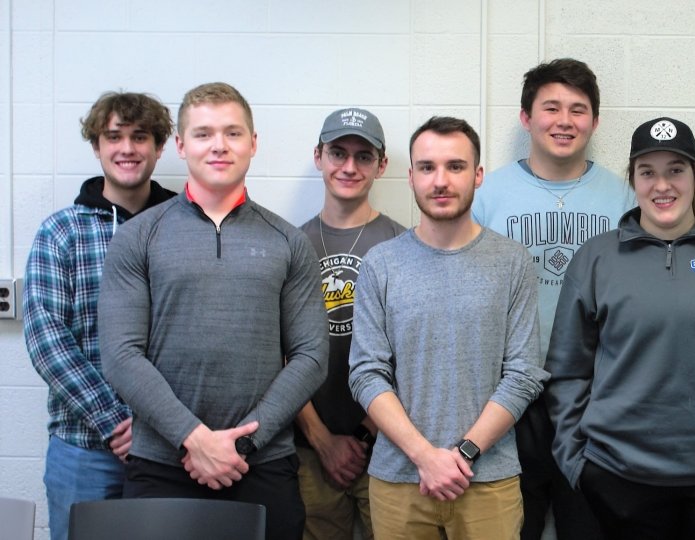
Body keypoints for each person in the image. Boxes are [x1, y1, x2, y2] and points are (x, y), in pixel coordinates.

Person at [99, 82, 328, 540]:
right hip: (162, 464)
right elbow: (121, 355)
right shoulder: (139, 237)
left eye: (232, 133)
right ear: (181, 146)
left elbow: (311, 357)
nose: (219, 146)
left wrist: (241, 444)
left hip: (261, 464)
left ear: (253, 143)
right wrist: (195, 438)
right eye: (203, 134)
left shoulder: (288, 241)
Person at [545, 117, 695, 539]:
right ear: (632, 179)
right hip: (622, 479)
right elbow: (568, 370)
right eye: (647, 172)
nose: (662, 185)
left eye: (676, 170)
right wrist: (578, 463)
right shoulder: (597, 258)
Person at [348, 116, 546, 540]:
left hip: (489, 480)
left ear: (477, 175)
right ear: (411, 177)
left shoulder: (512, 262)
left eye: (455, 166)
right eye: (427, 167)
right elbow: (366, 374)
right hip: (399, 482)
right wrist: (425, 457)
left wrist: (464, 452)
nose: (441, 180)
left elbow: (524, 374)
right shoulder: (381, 264)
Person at [472, 57, 629, 540]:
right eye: (551, 108)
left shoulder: (623, 198)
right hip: (508, 395)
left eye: (578, 110)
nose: (565, 121)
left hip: (593, 394)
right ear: (526, 118)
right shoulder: (487, 194)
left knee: (587, 524)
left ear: (595, 122)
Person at [24, 91, 176, 540]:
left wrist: (159, 427)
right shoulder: (60, 231)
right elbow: (46, 339)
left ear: (160, 146)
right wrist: (114, 423)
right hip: (83, 451)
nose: (127, 148)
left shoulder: (182, 227)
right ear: (96, 146)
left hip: (171, 450)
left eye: (140, 136)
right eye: (114, 137)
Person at [293, 107, 405, 540]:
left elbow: (409, 354)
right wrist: (322, 440)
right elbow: (280, 354)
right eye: (338, 153)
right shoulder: (290, 244)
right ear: (318, 156)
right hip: (308, 448)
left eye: (363, 156)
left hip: (389, 446)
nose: (349, 167)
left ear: (382, 165)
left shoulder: (403, 244)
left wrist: (362, 435)